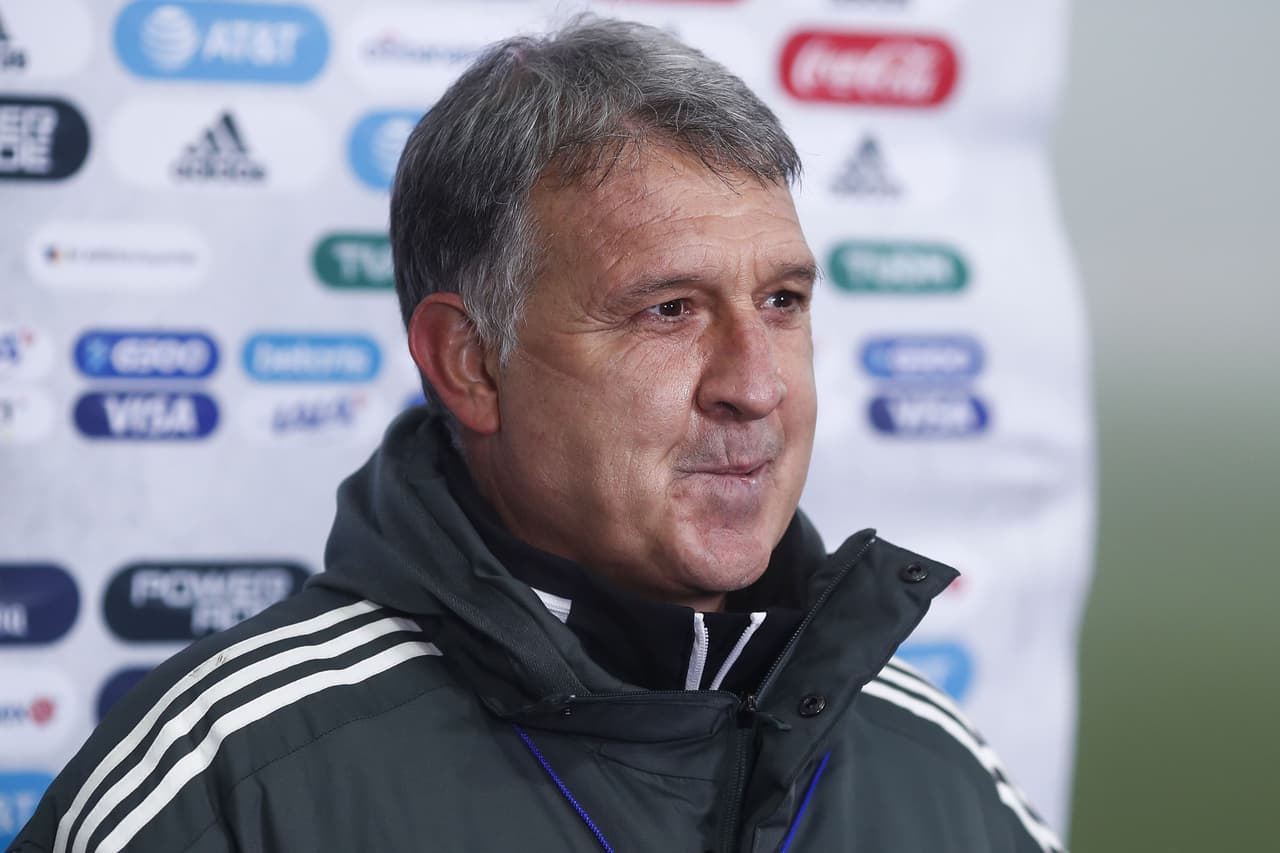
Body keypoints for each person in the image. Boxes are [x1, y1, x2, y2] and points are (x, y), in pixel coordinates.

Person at [10, 17, 1065, 853]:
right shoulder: (230, 783)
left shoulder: (930, 762)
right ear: (468, 363)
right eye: (668, 311)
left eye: (782, 301)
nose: (755, 385)